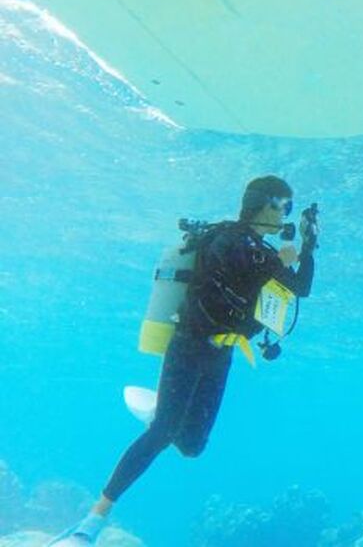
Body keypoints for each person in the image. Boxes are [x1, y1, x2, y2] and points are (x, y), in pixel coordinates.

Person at [50, 176, 318, 546]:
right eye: (284, 206)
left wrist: (308, 245)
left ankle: (162, 409)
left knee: (192, 447)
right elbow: (249, 272)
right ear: (265, 204)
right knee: (162, 433)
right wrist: (283, 258)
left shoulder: (261, 251)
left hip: (222, 354)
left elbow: (300, 287)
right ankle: (94, 518)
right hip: (190, 346)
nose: (285, 215)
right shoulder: (226, 239)